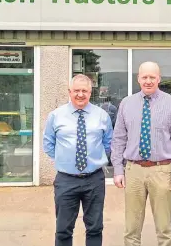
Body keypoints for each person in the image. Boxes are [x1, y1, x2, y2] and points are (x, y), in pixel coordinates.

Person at [110, 61, 171, 246]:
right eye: (144, 77)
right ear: (138, 79)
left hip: (161, 171)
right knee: (131, 228)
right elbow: (119, 140)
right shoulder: (126, 104)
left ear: (159, 79)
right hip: (134, 171)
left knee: (164, 229)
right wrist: (117, 170)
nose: (148, 81)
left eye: (152, 77)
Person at [43, 74, 113, 246]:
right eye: (76, 90)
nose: (80, 94)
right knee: (63, 229)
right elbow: (48, 143)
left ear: (90, 92)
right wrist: (65, 159)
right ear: (69, 92)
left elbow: (108, 144)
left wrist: (94, 160)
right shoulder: (56, 116)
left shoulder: (102, 116)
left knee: (95, 228)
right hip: (66, 180)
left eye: (84, 90)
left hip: (94, 179)